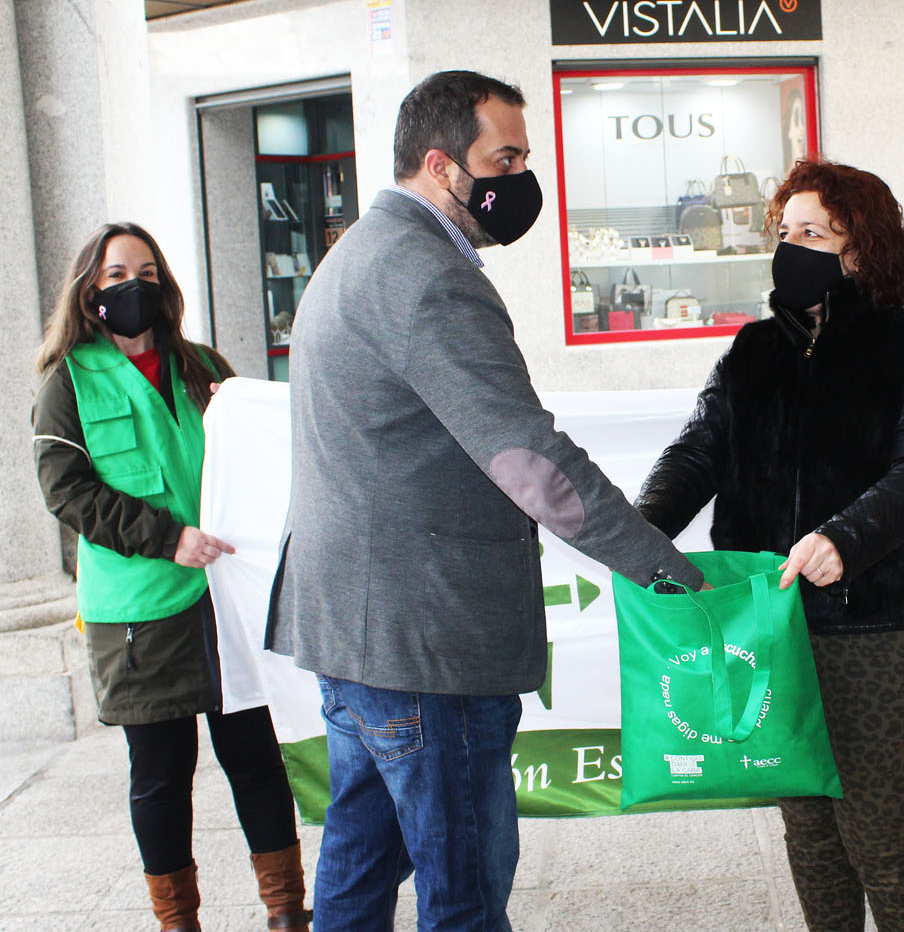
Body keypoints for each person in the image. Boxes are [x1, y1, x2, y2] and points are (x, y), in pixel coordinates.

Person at [264, 69, 706, 931]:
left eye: (524, 156)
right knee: (460, 892)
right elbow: (528, 458)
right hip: (426, 647)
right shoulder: (426, 275)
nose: (520, 179)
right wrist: (663, 569)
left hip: (356, 634)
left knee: (355, 874)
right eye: (503, 158)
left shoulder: (356, 252)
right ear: (439, 164)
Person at [637, 157, 904, 932]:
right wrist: (640, 529)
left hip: (876, 630)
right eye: (785, 233)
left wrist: (843, 538)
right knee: (808, 829)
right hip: (768, 623)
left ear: (863, 248)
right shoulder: (753, 349)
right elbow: (697, 451)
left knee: (876, 834)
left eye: (814, 233)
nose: (792, 248)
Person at [32, 223, 309, 932]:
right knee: (160, 772)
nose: (135, 285)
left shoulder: (202, 365)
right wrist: (167, 537)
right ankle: (176, 920)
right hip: (139, 609)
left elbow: (258, 453)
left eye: (148, 270)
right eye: (118, 271)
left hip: (224, 597)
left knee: (253, 756)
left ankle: (285, 909)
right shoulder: (67, 383)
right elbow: (68, 493)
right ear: (89, 289)